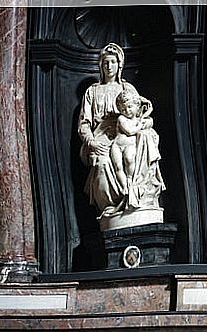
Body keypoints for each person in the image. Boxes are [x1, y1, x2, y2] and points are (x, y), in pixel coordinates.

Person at [78, 42, 137, 213]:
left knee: (132, 156)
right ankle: (110, 206)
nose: (109, 66)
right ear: (101, 66)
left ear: (119, 65)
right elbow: (84, 124)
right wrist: (92, 142)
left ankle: (132, 196)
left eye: (112, 62)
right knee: (102, 164)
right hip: (100, 139)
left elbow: (141, 114)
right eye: (105, 63)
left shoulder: (127, 88)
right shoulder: (92, 91)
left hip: (123, 137)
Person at [110, 90, 153, 195]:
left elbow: (149, 109)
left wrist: (146, 104)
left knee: (129, 160)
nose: (127, 111)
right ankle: (124, 187)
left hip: (130, 145)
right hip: (117, 145)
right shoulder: (121, 118)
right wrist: (140, 125)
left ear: (137, 106)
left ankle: (130, 180)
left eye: (129, 107)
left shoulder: (139, 119)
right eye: (123, 109)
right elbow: (130, 131)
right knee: (118, 167)